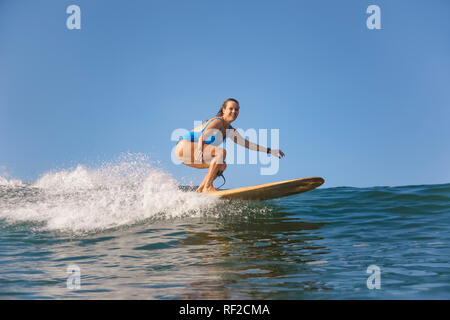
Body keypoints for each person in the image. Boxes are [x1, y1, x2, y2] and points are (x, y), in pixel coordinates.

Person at [175, 98, 285, 193]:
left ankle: (200, 190)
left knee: (222, 165)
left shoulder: (230, 130)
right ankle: (207, 187)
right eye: (231, 108)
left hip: (188, 155)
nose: (234, 111)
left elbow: (247, 144)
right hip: (185, 146)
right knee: (221, 152)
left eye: (236, 109)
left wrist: (270, 151)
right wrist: (200, 150)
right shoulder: (217, 121)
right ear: (223, 110)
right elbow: (202, 137)